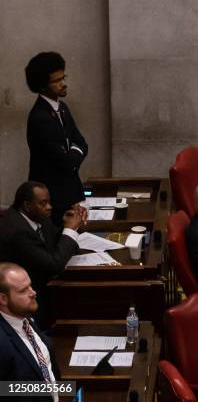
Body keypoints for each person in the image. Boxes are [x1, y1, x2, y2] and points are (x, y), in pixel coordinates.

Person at [0, 181, 85, 327]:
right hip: (28, 295)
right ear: (27, 206)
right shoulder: (17, 230)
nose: (49, 207)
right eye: (43, 203)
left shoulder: (37, 217)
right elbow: (54, 265)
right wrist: (70, 230)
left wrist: (71, 224)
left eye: (49, 202)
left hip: (43, 285)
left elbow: (55, 245)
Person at [25, 51, 88, 226]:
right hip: (52, 200)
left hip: (69, 193)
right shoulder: (40, 117)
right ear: (42, 86)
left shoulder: (63, 108)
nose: (63, 84)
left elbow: (82, 142)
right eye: (57, 81)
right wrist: (75, 153)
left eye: (63, 77)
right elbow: (65, 162)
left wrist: (72, 153)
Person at [0, 262, 60, 402]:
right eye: (23, 291)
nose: (33, 293)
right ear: (3, 299)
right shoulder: (2, 343)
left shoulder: (24, 316)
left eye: (30, 286)